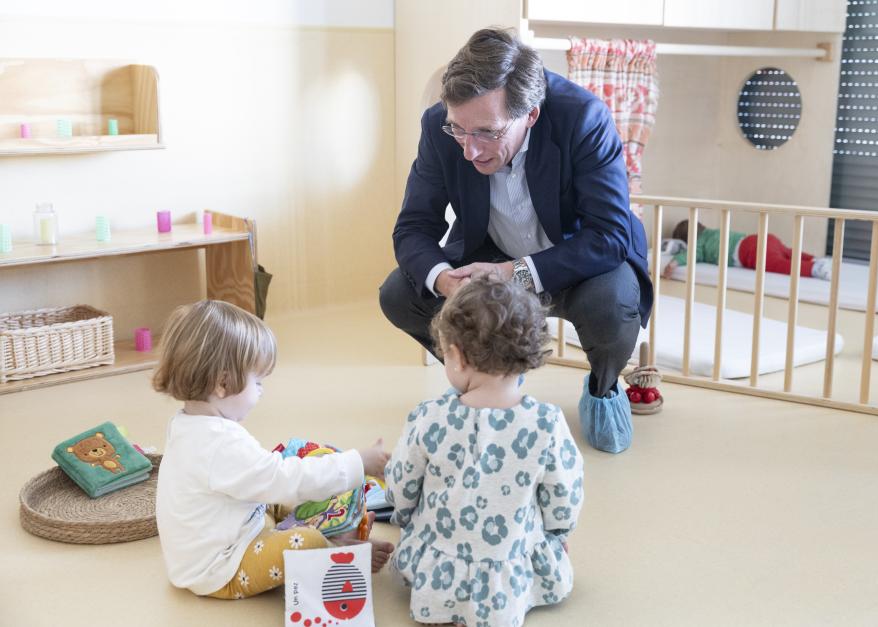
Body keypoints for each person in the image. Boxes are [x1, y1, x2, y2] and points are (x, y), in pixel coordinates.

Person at [379, 27, 652, 455]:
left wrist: (516, 272)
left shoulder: (583, 117)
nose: (469, 150)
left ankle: (602, 388)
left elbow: (611, 233)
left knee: (613, 308)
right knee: (399, 293)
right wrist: (446, 281)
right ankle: (489, 377)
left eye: (486, 132)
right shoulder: (439, 127)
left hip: (577, 257)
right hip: (489, 252)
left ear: (531, 115)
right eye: (459, 131)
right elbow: (414, 224)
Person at [152, 299, 394, 600]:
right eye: (258, 381)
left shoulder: (188, 423)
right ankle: (340, 550)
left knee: (290, 482)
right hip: (220, 570)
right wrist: (359, 463)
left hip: (224, 536)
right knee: (305, 541)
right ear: (223, 383)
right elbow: (285, 480)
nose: (262, 391)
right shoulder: (219, 443)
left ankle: (334, 532)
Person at [385, 276, 584, 626]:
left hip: (439, 559)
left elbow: (402, 487)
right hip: (511, 558)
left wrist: (403, 518)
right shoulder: (546, 423)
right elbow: (564, 494)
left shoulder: (431, 418)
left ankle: (445, 603)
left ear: (457, 357)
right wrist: (558, 535)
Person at [663, 220, 832, 280]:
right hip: (758, 238)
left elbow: (690, 255)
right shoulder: (711, 232)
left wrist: (673, 263)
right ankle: (815, 259)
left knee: (777, 264)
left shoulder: (698, 244)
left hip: (748, 251)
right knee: (786, 251)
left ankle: (814, 269)